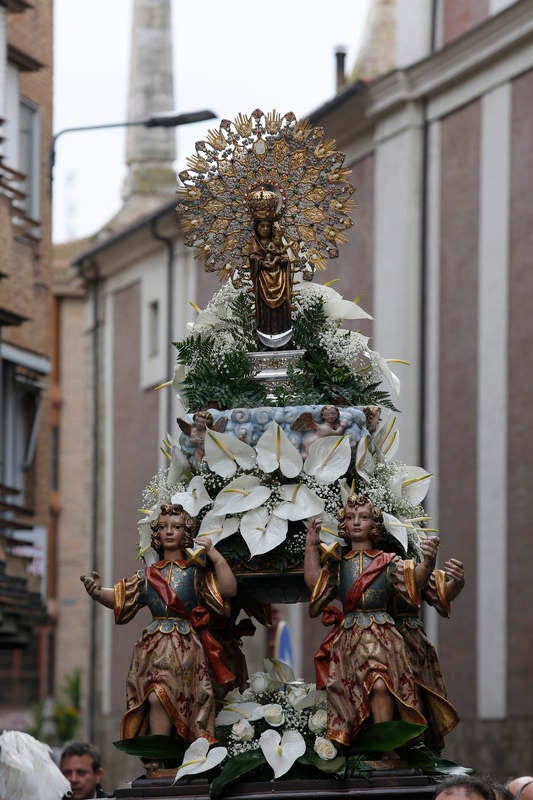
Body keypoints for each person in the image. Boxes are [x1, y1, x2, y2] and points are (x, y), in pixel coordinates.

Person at [81, 503, 237, 743]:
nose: (170, 531)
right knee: (155, 696)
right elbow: (121, 597)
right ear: (156, 533)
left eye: (176, 527)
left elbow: (228, 589)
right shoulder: (147, 575)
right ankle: (157, 759)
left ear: (187, 533)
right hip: (154, 648)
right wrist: (96, 592)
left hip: (187, 649)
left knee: (187, 700)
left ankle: (181, 756)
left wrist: (215, 556)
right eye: (163, 527)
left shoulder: (195, 573)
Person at [304, 494, 439, 747]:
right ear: (343, 524)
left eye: (364, 517)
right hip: (349, 639)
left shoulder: (387, 562)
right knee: (352, 695)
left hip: (382, 635)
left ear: (374, 524)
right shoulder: (339, 565)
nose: (357, 522)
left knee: (380, 685)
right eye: (351, 518)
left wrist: (428, 563)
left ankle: (386, 748)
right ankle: (362, 749)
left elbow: (412, 581)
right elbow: (316, 586)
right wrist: (311, 547)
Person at [391, 553, 464, 750]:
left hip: (410, 641)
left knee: (415, 696)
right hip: (371, 639)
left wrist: (456, 582)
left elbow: (440, 593)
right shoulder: (359, 558)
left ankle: (415, 746)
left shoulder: (408, 558)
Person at [247, 188, 293, 347]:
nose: (265, 229)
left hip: (280, 282)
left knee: (280, 311)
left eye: (268, 226)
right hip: (262, 287)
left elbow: (285, 259)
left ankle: (282, 332)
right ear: (256, 227)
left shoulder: (277, 243)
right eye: (262, 226)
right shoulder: (255, 246)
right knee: (266, 312)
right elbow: (253, 258)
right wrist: (260, 263)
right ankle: (265, 333)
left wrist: (282, 262)